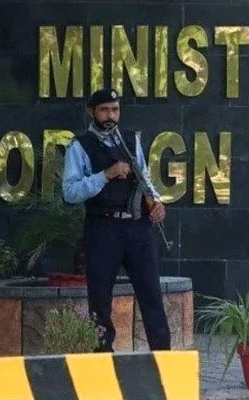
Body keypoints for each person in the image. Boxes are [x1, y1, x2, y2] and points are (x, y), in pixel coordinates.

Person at [62, 88, 170, 351]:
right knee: (99, 300)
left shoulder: (130, 140)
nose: (110, 116)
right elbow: (70, 192)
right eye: (104, 110)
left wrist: (156, 202)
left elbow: (145, 178)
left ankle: (163, 359)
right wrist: (105, 175)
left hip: (137, 228)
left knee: (152, 296)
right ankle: (102, 360)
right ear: (92, 112)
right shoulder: (80, 146)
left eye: (115, 109)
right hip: (103, 229)